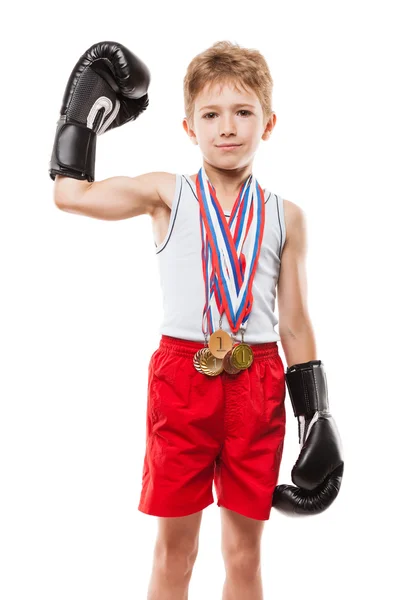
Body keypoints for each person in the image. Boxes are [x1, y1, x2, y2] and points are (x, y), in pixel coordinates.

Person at [50, 40, 344, 600]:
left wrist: (317, 416)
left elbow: (297, 325)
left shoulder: (287, 217)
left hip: (259, 383)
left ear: (269, 122)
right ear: (188, 127)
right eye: (210, 114)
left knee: (244, 557)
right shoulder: (168, 194)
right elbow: (71, 196)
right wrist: (80, 122)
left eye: (243, 112)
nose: (226, 128)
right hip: (184, 379)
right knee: (175, 552)